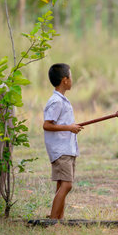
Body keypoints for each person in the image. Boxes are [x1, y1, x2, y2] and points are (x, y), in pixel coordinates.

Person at [43, 63, 83, 220]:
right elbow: (47, 125)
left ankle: (59, 219)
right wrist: (69, 128)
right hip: (61, 150)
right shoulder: (56, 101)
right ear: (65, 80)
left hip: (67, 148)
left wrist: (71, 128)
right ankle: (53, 221)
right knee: (67, 185)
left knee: (61, 185)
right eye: (71, 76)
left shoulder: (62, 100)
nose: (72, 80)